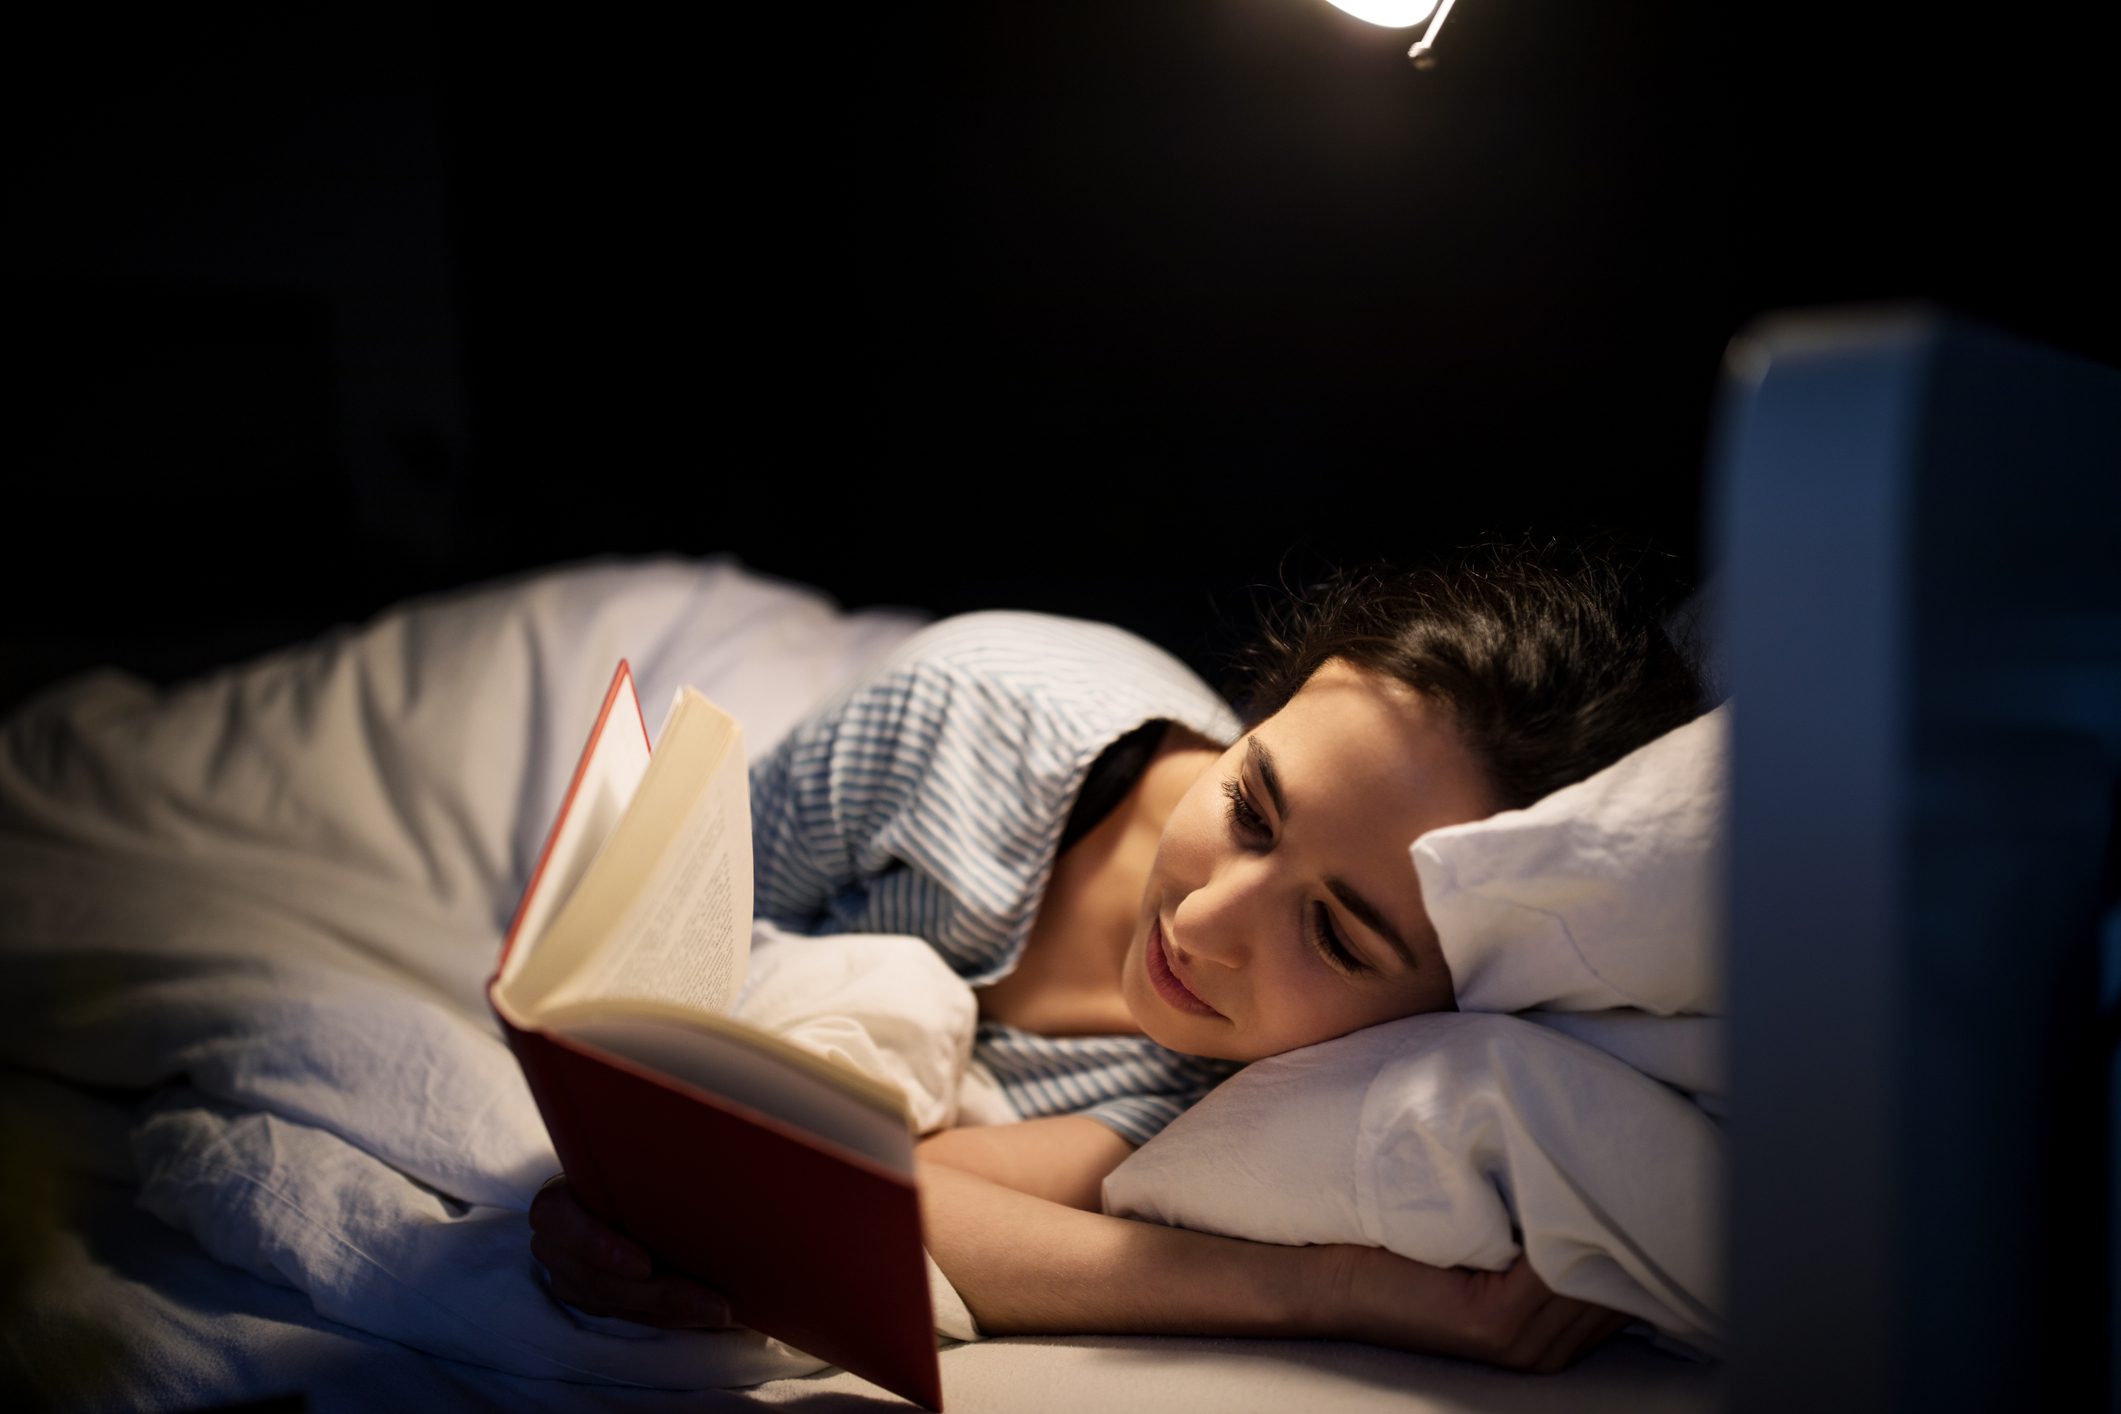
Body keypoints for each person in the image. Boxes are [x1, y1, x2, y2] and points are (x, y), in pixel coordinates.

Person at [528, 541, 1708, 1373]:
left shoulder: (1260, 1097)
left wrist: (1347, 1290)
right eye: (1251, 804)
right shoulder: (970, 712)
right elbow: (648, 922)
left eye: (1336, 933)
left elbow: (877, 1203)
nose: (1201, 927)